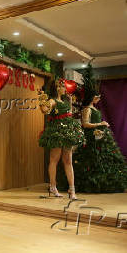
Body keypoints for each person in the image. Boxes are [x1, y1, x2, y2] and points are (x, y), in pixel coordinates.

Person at [63, 65, 127, 193]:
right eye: (97, 97)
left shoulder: (94, 109)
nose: (98, 99)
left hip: (99, 136)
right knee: (91, 158)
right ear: (92, 98)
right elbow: (85, 124)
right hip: (90, 138)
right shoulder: (87, 109)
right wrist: (100, 124)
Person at [38, 79, 85, 200]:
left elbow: (70, 114)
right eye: (63, 86)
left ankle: (72, 189)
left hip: (67, 132)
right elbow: (45, 111)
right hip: (57, 132)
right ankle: (53, 187)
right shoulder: (52, 101)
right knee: (54, 159)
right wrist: (41, 98)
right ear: (58, 88)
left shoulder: (66, 100)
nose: (65, 88)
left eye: (64, 86)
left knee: (68, 160)